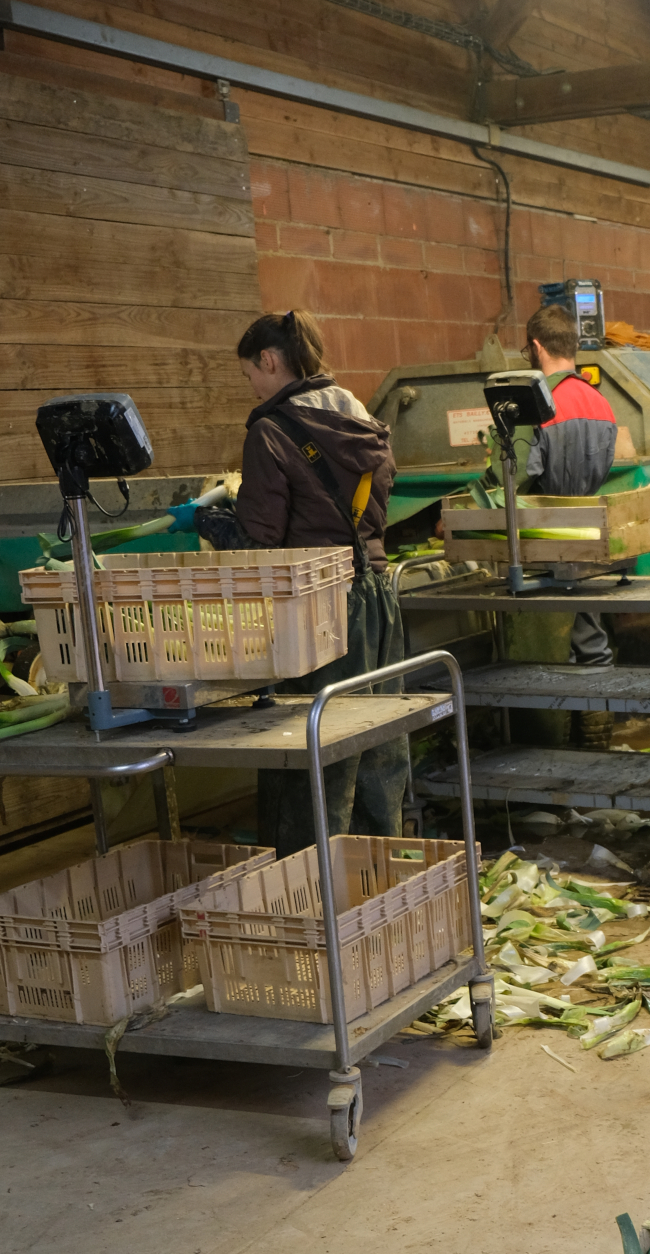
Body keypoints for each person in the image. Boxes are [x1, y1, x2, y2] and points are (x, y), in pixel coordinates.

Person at [172, 309, 404, 858]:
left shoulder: (271, 431)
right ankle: (380, 882)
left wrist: (205, 519)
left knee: (309, 753)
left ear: (270, 360)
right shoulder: (360, 414)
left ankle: (308, 894)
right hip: (375, 596)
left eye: (249, 372)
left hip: (318, 609)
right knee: (377, 747)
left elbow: (259, 542)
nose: (250, 385)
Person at [519, 303, 618, 667]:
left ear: (536, 347)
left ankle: (554, 720)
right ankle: (596, 719)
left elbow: (517, 476)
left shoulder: (537, 404)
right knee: (588, 632)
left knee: (546, 647)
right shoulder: (602, 404)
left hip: (542, 541)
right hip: (586, 533)